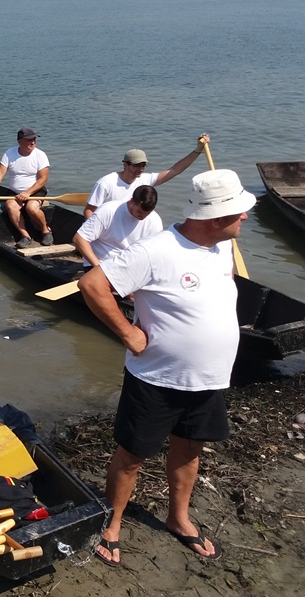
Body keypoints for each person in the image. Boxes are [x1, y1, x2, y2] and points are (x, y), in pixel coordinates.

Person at [78, 169, 256, 567]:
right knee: (133, 455)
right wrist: (127, 332)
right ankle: (112, 524)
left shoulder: (222, 248)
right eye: (238, 212)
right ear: (214, 217)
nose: (245, 217)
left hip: (208, 379)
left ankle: (178, 518)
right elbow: (92, 285)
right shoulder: (154, 250)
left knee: (190, 449)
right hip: (156, 379)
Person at [84, 135, 210, 218]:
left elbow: (175, 170)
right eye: (136, 166)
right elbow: (89, 211)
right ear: (125, 165)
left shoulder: (145, 180)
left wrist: (198, 150)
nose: (140, 169)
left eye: (143, 165)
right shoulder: (106, 182)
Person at [0, 127, 52, 248]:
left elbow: (43, 179)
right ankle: (25, 236)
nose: (33, 142)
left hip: (36, 191)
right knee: (10, 205)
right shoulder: (10, 153)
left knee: (31, 208)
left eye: (34, 139)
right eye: (29, 140)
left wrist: (27, 193)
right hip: (14, 192)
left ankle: (45, 230)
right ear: (19, 141)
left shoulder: (40, 155)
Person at [73, 186, 164, 269]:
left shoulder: (155, 220)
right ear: (131, 202)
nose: (143, 216)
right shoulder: (107, 211)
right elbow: (79, 239)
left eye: (147, 213)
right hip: (101, 264)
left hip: (130, 267)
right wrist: (99, 267)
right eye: (139, 211)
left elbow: (154, 252)